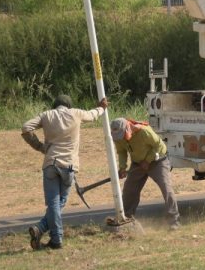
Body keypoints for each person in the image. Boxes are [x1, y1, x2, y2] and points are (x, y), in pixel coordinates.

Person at [22, 94, 108, 250]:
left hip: (51, 163)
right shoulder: (76, 113)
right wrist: (101, 108)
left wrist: (40, 147)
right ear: (69, 106)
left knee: (54, 203)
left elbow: (26, 127)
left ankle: (43, 230)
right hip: (69, 165)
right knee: (60, 202)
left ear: (55, 105)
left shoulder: (46, 115)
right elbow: (92, 115)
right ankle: (54, 237)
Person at [109, 117, 181, 230]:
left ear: (128, 128)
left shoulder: (144, 131)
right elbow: (121, 152)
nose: (121, 138)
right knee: (129, 190)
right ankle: (126, 218)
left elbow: (160, 146)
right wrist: (122, 167)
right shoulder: (118, 137)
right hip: (138, 164)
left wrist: (147, 160)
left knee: (166, 189)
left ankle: (174, 221)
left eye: (122, 135)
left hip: (158, 162)